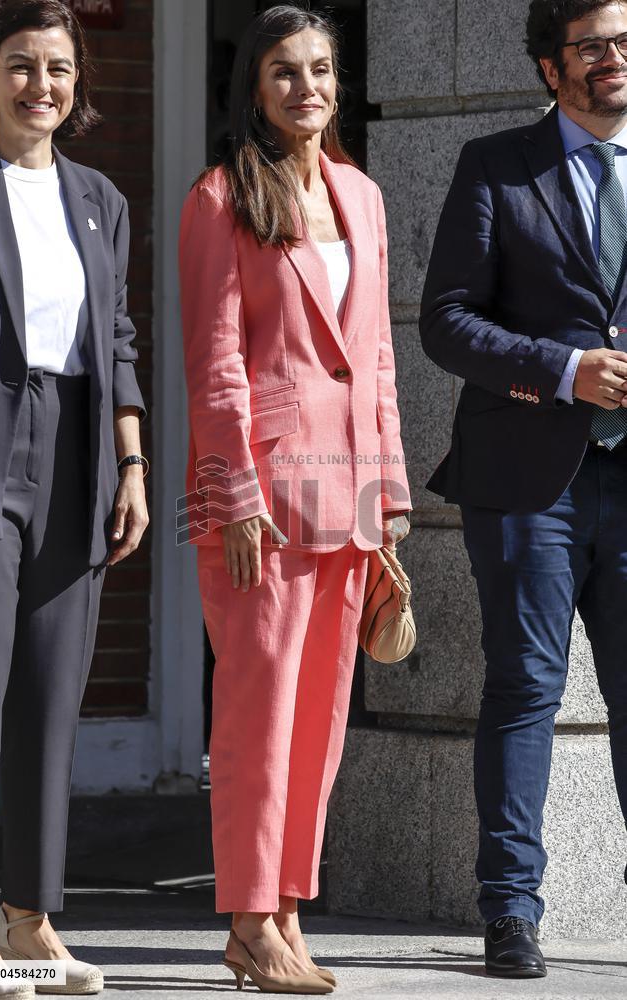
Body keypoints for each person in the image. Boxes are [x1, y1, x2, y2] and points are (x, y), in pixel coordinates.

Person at [179, 4, 410, 994]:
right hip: (260, 499)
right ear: (254, 88)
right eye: (284, 71)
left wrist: (389, 488)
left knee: (318, 715)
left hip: (347, 490)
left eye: (319, 68)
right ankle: (247, 916)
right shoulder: (219, 196)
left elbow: (376, 354)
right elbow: (214, 359)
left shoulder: (361, 194)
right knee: (257, 711)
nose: (305, 86)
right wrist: (233, 491)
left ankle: (284, 911)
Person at [420, 0, 627, 981]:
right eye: (591, 46)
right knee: (523, 688)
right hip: (528, 482)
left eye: (624, 41)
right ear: (551, 67)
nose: (613, 58)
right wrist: (561, 369)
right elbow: (446, 321)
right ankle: (509, 909)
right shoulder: (495, 166)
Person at [0, 2, 148, 996]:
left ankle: (29, 914)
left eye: (60, 68)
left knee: (49, 688)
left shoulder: (98, 199)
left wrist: (132, 464)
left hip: (77, 451)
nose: (43, 85)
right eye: (23, 65)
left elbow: (115, 335)